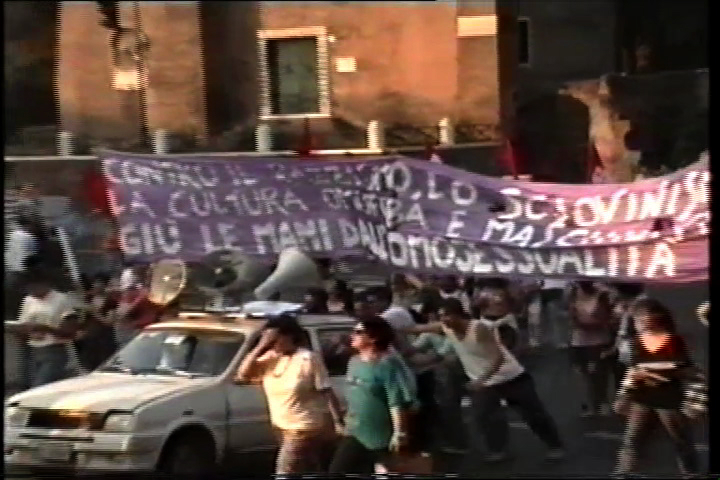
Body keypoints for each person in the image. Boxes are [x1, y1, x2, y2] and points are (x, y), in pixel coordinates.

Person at [408, 298, 565, 462]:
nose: (443, 320)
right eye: (440, 316)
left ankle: (554, 445)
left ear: (458, 314)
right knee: (485, 416)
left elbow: (498, 358)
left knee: (533, 414)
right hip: (485, 383)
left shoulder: (478, 328)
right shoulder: (446, 327)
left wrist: (481, 380)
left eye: (446, 316)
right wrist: (388, 325)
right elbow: (416, 328)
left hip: (510, 377)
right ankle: (498, 449)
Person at [235, 315, 344, 475]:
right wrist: (261, 346)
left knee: (284, 470)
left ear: (289, 336)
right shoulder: (271, 358)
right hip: (281, 425)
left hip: (304, 426)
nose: (273, 344)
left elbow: (326, 390)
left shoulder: (308, 358)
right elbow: (243, 374)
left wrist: (337, 421)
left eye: (276, 339)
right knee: (308, 468)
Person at [613, 298, 699, 476]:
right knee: (632, 441)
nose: (636, 324)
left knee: (681, 443)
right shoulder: (635, 344)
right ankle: (623, 473)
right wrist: (624, 396)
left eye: (638, 320)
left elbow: (692, 374)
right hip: (643, 401)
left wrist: (695, 404)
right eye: (635, 321)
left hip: (670, 402)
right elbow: (634, 373)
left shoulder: (674, 344)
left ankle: (691, 474)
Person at [329, 316, 418, 474]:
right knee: (338, 472)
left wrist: (400, 433)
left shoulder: (388, 365)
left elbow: (396, 402)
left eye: (358, 332)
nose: (352, 336)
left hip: (381, 436)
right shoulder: (354, 362)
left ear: (374, 337)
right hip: (355, 431)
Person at [14, 268, 80, 387]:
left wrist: (45, 328)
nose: (31, 292)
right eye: (28, 289)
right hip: (34, 349)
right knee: (29, 386)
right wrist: (24, 330)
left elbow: (70, 331)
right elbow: (23, 323)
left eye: (33, 288)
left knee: (41, 385)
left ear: (44, 284)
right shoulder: (29, 300)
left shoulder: (61, 299)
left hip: (54, 349)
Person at [567, 280, 614, 417]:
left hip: (598, 341)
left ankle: (603, 403)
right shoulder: (573, 293)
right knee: (584, 375)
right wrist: (574, 320)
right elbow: (571, 317)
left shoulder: (601, 295)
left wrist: (589, 325)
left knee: (598, 374)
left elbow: (605, 318)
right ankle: (591, 404)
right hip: (579, 341)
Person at [74, 273, 119, 370]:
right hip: (89, 338)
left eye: (100, 283)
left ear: (105, 285)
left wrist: (94, 311)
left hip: (104, 338)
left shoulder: (110, 301)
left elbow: (109, 322)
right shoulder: (88, 299)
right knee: (88, 365)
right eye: (95, 283)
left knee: (104, 364)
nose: (96, 286)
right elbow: (82, 318)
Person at [111, 267, 160, 347]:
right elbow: (123, 313)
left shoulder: (155, 290)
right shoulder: (131, 291)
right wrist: (141, 297)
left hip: (152, 332)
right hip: (134, 334)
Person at [5, 215, 39, 318]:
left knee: (10, 295)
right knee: (22, 298)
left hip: (9, 271)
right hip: (22, 272)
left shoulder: (11, 235)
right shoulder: (29, 238)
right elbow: (33, 257)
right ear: (28, 225)